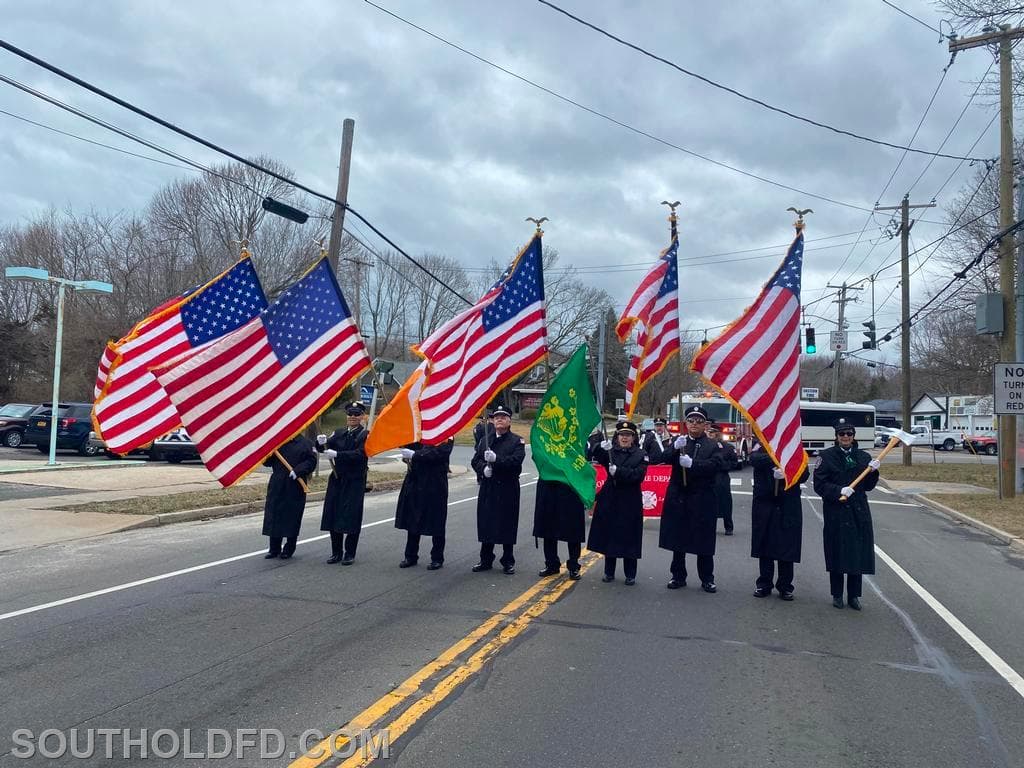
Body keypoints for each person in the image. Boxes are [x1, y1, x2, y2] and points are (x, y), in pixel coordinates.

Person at [812, 418, 880, 610]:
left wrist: (874, 472)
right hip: (837, 511)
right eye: (842, 434)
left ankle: (854, 596)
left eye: (849, 434)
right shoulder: (826, 457)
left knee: (857, 554)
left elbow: (868, 486)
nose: (845, 437)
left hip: (859, 511)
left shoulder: (863, 458)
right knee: (837, 553)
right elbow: (819, 485)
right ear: (836, 437)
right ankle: (837, 594)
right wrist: (838, 490)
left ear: (853, 436)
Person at [660, 405, 723, 593]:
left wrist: (693, 465)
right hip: (680, 496)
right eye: (691, 420)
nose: (695, 424)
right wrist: (674, 448)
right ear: (686, 423)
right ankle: (678, 576)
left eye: (699, 421)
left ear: (705, 425)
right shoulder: (678, 441)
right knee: (678, 539)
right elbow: (661, 458)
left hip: (702, 497)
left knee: (703, 540)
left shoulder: (713, 445)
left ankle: (707, 578)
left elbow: (716, 465)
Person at [587, 420, 647, 584]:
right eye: (621, 435)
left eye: (628, 435)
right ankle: (609, 572)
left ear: (633, 437)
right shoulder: (610, 452)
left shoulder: (641, 455)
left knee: (629, 536)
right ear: (617, 436)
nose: (624, 438)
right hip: (611, 497)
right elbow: (592, 454)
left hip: (630, 499)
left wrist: (618, 472)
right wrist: (600, 447)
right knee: (610, 535)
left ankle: (630, 574)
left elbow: (638, 475)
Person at [748, 439, 808, 600]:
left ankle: (785, 586)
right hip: (765, 501)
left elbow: (804, 474)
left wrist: (788, 471)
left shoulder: (795, 446)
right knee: (765, 544)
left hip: (788, 502)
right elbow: (753, 459)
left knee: (787, 545)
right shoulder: (761, 442)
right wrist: (775, 457)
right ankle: (764, 584)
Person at [470, 404, 525, 574]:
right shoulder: (485, 440)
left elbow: (515, 462)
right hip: (489, 487)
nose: (499, 419)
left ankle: (508, 560)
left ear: (509, 420)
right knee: (487, 522)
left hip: (507, 488)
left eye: (503, 417)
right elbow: (475, 460)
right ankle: (485, 559)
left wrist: (496, 459)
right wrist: (482, 469)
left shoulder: (517, 441)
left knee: (506, 523)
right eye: (496, 417)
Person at [317, 401, 369, 565]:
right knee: (334, 514)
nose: (352, 417)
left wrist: (338, 455)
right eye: (350, 414)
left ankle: (350, 553)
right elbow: (324, 449)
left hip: (354, 480)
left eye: (356, 414)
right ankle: (336, 552)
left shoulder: (365, 435)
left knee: (351, 516)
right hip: (337, 479)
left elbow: (360, 454)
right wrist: (320, 443)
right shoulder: (338, 433)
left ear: (362, 416)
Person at [395, 438, 454, 570]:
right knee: (413, 517)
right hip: (416, 478)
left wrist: (415, 455)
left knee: (436, 519)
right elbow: (406, 444)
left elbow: (440, 453)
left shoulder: (445, 432)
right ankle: (410, 555)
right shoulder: (417, 431)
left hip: (435, 481)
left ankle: (437, 557)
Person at [262, 434, 317, 559]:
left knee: (292, 516)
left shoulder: (306, 443)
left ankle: (289, 548)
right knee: (275, 514)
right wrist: (266, 454)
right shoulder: (278, 441)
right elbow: (268, 463)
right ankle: (274, 548)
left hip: (296, 484)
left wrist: (298, 471)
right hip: (277, 483)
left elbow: (312, 461)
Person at [533, 477, 585, 580]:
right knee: (548, 526)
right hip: (549, 484)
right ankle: (551, 564)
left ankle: (574, 565)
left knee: (573, 528)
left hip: (571, 484)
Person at [706, 423, 740, 534]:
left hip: (722, 477)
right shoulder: (706, 446)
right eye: (709, 432)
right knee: (709, 502)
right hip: (709, 476)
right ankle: (710, 525)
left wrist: (722, 466)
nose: (710, 435)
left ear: (718, 434)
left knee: (725, 501)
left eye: (713, 433)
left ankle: (728, 526)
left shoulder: (728, 447)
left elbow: (734, 463)